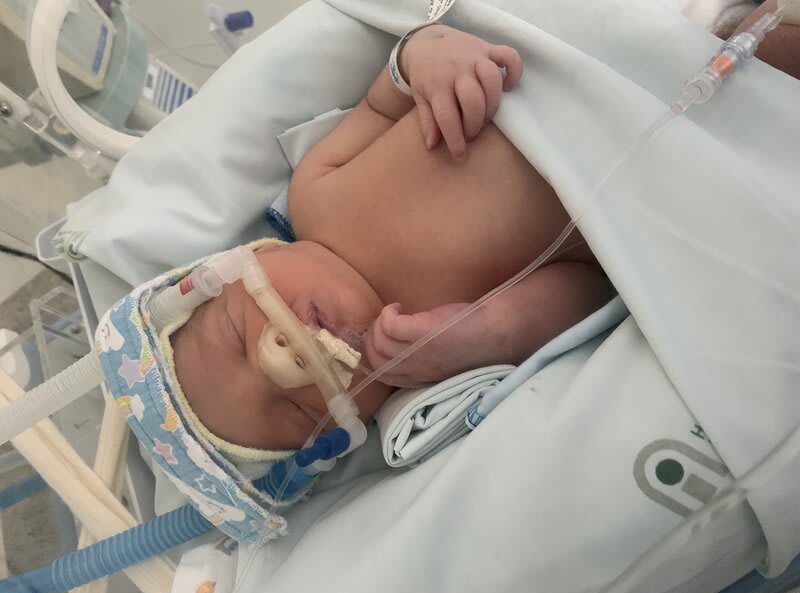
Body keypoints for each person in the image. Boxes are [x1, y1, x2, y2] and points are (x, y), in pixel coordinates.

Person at [171, 24, 611, 452]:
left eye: (236, 333)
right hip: (615, 183)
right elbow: (592, 286)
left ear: (247, 256)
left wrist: (424, 54)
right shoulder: (437, 343)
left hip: (547, 58)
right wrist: (492, 333)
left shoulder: (314, 196)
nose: (283, 365)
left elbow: (382, 105)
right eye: (298, 411)